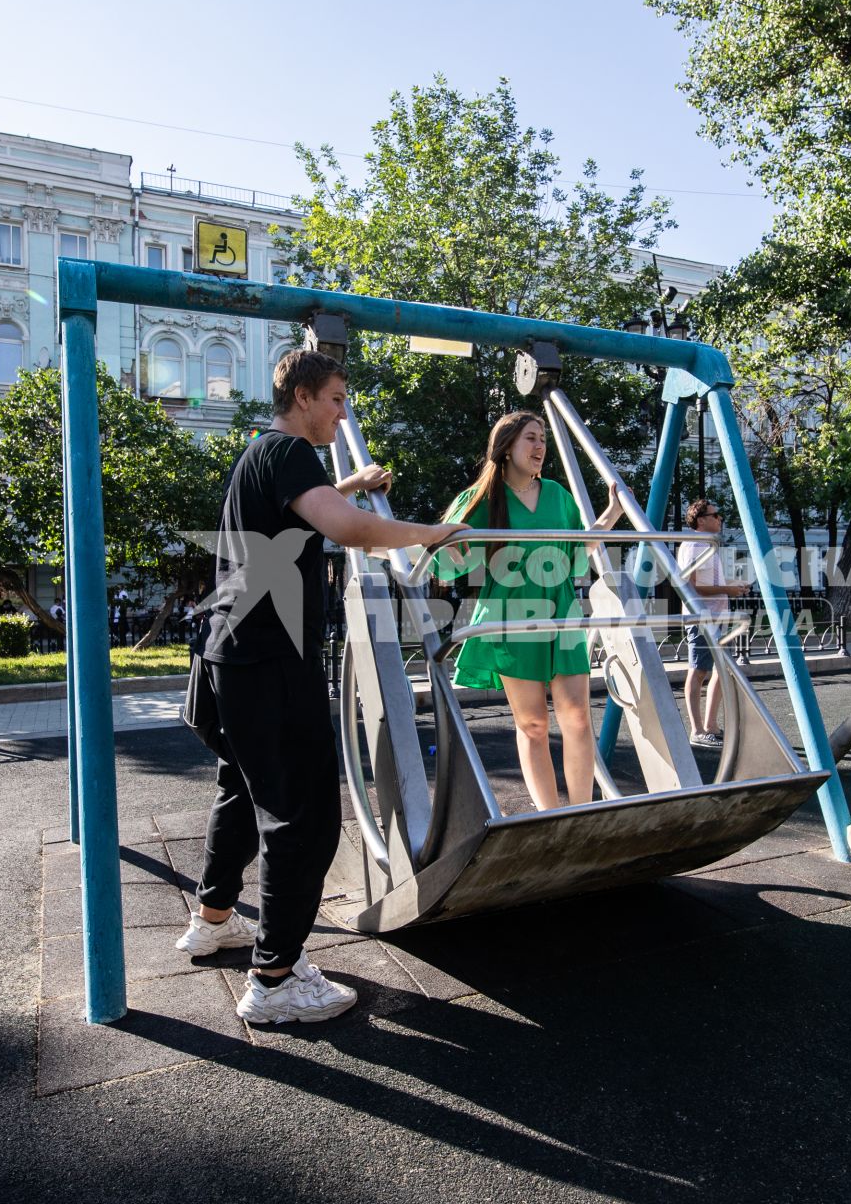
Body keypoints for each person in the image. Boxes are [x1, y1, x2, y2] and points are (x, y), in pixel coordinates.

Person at [176, 348, 466, 1025]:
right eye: (337, 397)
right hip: (270, 661)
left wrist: (355, 480)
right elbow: (348, 529)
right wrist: (431, 533)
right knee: (304, 818)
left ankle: (214, 918)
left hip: (229, 656)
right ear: (304, 397)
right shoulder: (288, 455)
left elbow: (321, 506)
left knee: (245, 793)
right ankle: (275, 978)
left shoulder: (262, 456)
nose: (343, 411)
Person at [434, 412, 623, 813]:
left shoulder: (556, 495)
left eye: (543, 440)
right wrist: (445, 544)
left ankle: (581, 812)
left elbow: (576, 554)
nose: (539, 448)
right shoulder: (484, 499)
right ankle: (550, 814)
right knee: (534, 724)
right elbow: (446, 564)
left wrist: (612, 516)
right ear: (506, 448)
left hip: (561, 614)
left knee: (576, 717)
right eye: (530, 439)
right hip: (512, 616)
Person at [675, 500, 750, 749]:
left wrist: (732, 585)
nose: (720, 519)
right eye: (716, 515)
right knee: (698, 670)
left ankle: (711, 726)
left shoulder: (709, 545)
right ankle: (697, 730)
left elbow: (710, 581)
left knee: (721, 670)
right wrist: (727, 588)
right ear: (701, 520)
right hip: (701, 617)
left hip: (717, 616)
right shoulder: (693, 545)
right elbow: (691, 586)